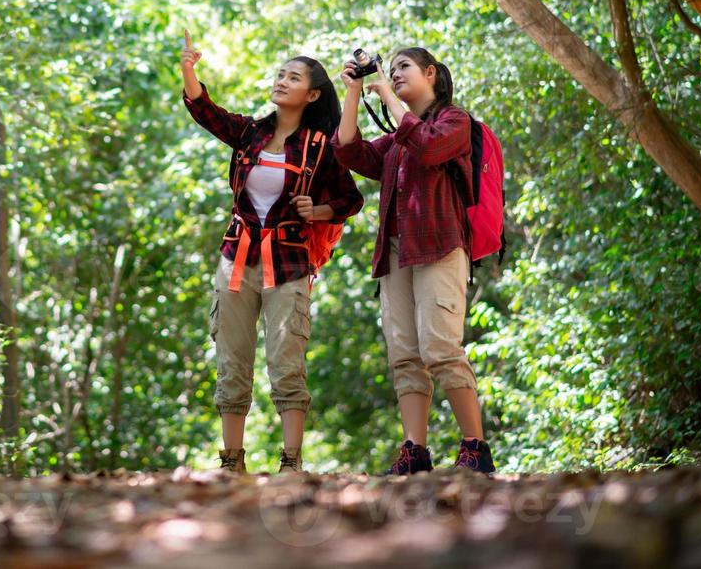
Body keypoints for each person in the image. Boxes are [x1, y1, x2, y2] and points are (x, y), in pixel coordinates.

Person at [181, 31, 364, 474]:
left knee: (286, 361)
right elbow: (206, 113)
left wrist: (316, 209)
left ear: (313, 94)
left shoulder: (320, 147)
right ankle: (231, 461)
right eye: (280, 74)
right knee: (232, 359)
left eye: (293, 77)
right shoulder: (249, 133)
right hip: (235, 260)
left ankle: (291, 461)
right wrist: (189, 70)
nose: (282, 81)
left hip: (288, 264)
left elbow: (350, 201)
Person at [331, 46, 495, 474]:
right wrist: (353, 92)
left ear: (431, 74)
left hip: (440, 245)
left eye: (404, 67)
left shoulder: (456, 121)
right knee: (405, 355)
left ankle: (475, 447)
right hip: (397, 253)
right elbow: (350, 152)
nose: (395, 74)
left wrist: (385, 92)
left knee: (440, 347)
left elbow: (429, 148)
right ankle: (414, 452)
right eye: (392, 69)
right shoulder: (396, 140)